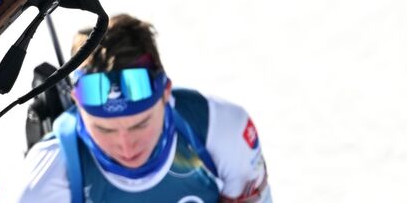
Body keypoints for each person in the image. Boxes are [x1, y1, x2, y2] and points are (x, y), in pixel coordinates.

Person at [15, 14, 271, 202]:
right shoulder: (48, 176)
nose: (126, 146)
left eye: (140, 124)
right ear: (78, 106)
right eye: (104, 129)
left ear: (165, 94)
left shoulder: (220, 129)